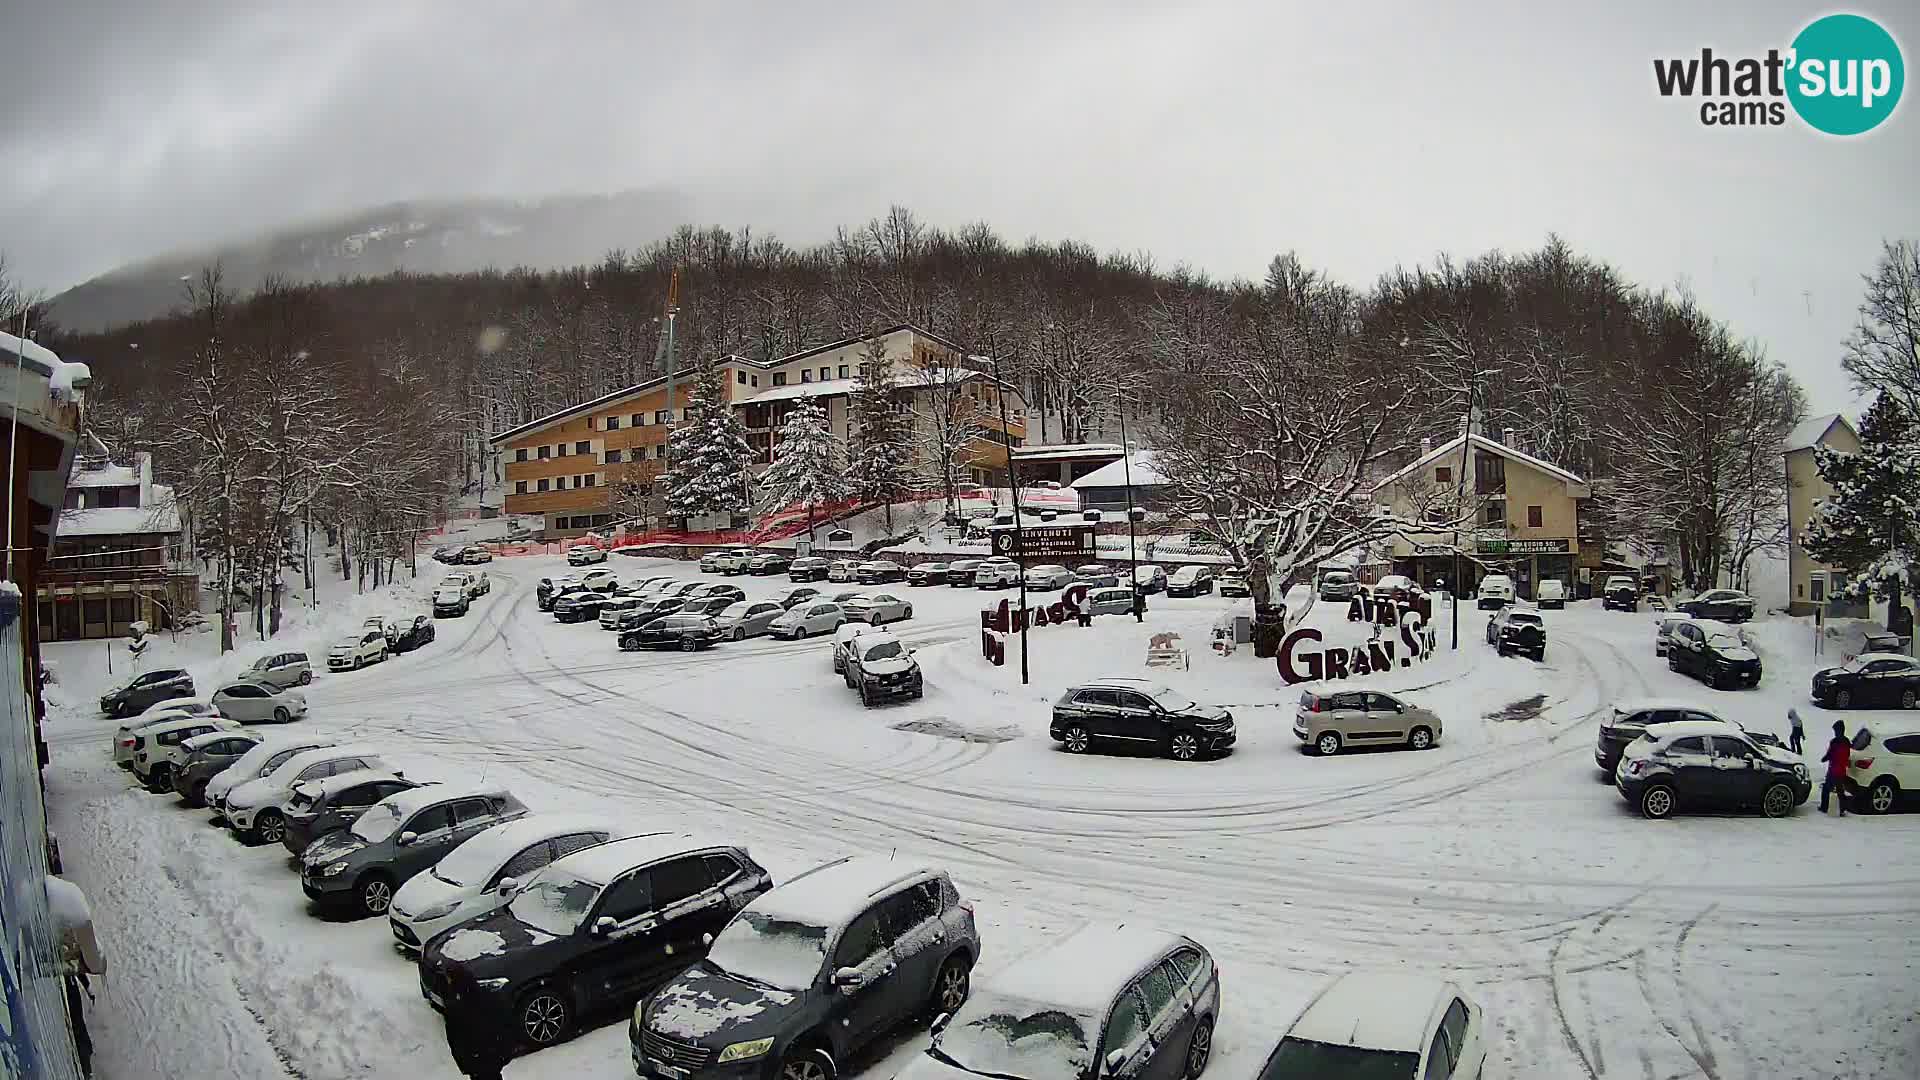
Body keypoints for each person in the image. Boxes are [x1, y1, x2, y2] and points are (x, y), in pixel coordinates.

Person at [46, 875, 102, 1079]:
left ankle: (86, 1065)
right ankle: (86, 1068)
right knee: (78, 1026)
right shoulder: (65, 931)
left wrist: (87, 988)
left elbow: (76, 964)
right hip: (66, 983)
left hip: (68, 982)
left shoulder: (67, 929)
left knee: (79, 1027)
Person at [442, 986, 515, 1080]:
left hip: (478, 1064)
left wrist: (465, 1066)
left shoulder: (455, 1009)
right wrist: (505, 1054)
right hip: (491, 1061)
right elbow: (506, 1025)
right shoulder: (490, 998)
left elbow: (455, 1042)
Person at [1818, 720, 1851, 816]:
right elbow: (1847, 755)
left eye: (1835, 730)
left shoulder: (1834, 742)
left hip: (1833, 770)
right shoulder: (1847, 742)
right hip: (1841, 770)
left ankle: (1824, 808)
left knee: (1826, 789)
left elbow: (1830, 755)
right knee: (1840, 791)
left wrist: (1824, 759)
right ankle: (1843, 810)